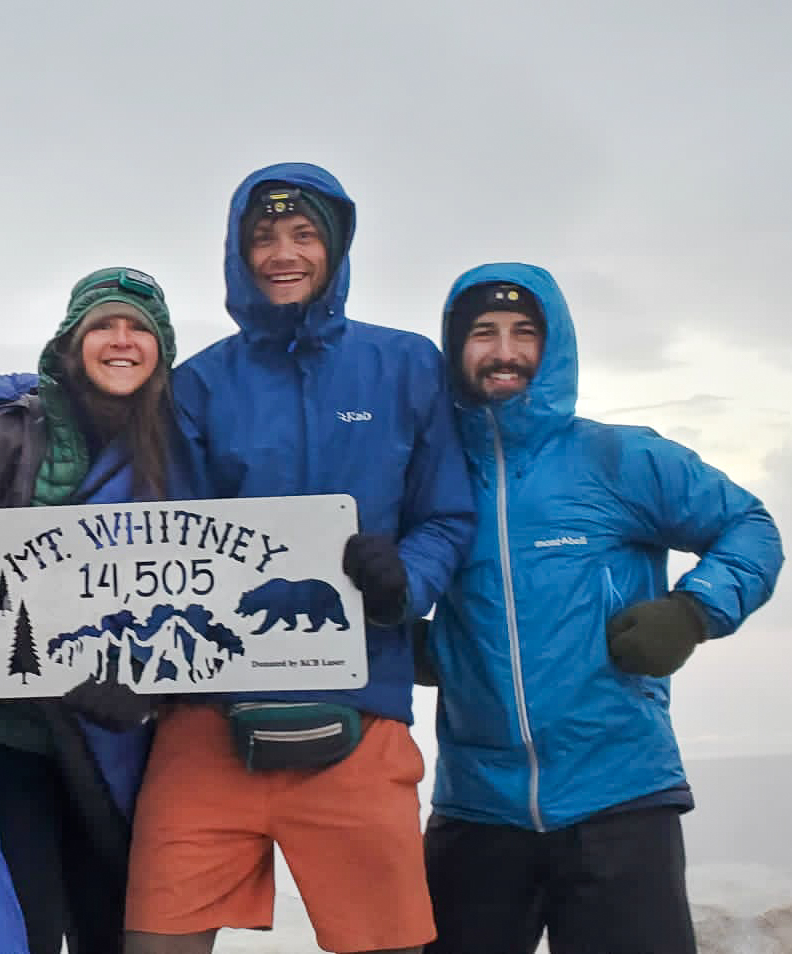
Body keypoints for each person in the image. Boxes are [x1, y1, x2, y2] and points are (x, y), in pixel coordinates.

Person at [124, 164, 476, 954]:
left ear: (336, 246)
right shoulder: (199, 384)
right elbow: (163, 537)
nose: (284, 253)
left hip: (362, 713)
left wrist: (406, 581)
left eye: (304, 234)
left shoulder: (407, 365)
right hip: (208, 725)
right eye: (264, 237)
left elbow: (447, 514)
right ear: (237, 252)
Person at [419, 263, 785, 954]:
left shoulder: (617, 458)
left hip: (619, 797)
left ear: (553, 347)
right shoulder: (433, 473)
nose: (504, 351)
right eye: (484, 334)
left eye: (525, 332)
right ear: (455, 348)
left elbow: (751, 527)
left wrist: (693, 611)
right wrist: (413, 643)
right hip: (477, 806)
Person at [0, 266, 181, 954]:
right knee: (19, 931)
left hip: (123, 747)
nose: (121, 341)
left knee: (111, 930)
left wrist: (156, 687)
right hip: (12, 742)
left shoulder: (180, 454)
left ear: (162, 349)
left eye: (139, 329)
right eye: (102, 327)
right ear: (69, 344)